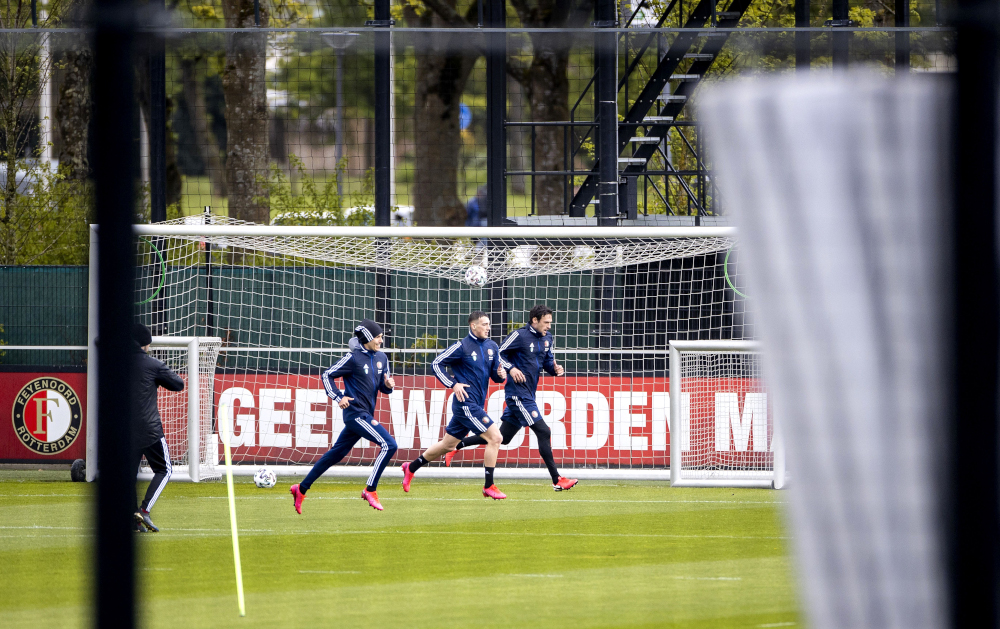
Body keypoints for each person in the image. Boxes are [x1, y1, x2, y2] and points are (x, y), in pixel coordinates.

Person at [446, 305, 579, 492]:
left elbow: (547, 362)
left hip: (529, 393)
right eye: (546, 322)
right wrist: (512, 368)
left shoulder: (548, 338)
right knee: (543, 431)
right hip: (517, 395)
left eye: (550, 322)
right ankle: (557, 479)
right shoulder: (519, 336)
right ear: (535, 320)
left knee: (504, 438)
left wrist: (555, 370)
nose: (549, 326)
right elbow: (499, 353)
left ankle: (456, 446)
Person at [290, 319, 397, 512]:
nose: (381, 340)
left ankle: (301, 488)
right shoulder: (353, 358)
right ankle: (370, 489)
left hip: (365, 414)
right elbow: (327, 375)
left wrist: (387, 387)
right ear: (367, 337)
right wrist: (338, 396)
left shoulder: (382, 358)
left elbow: (383, 386)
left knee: (335, 454)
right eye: (378, 337)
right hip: (355, 414)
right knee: (389, 444)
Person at [401, 311, 508, 499]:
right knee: (496, 438)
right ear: (473, 326)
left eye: (489, 324)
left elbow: (494, 375)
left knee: (448, 445)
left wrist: (500, 375)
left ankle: (411, 467)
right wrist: (453, 383)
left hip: (475, 403)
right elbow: (436, 364)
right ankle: (489, 486)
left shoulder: (492, 346)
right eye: (484, 324)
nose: (488, 328)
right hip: (465, 404)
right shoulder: (461, 346)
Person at [131, 323, 185, 532]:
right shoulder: (153, 364)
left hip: (124, 430)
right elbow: (178, 384)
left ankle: (133, 520)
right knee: (164, 469)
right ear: (145, 344)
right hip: (149, 429)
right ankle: (144, 511)